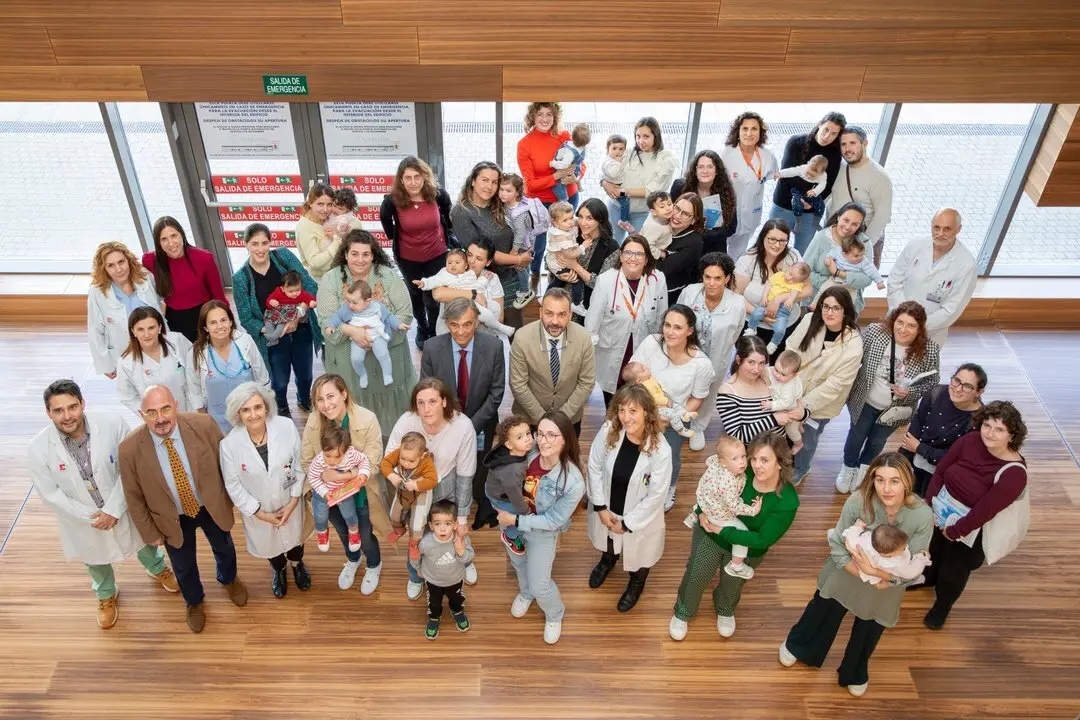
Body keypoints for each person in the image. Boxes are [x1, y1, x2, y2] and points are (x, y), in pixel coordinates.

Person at [28, 380, 178, 629]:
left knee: (140, 539)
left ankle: (158, 567)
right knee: (94, 557)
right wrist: (93, 516)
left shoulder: (110, 423)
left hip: (121, 504)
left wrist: (113, 509)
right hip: (84, 519)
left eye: (73, 407)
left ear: (83, 403)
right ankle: (106, 593)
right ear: (48, 413)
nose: (67, 416)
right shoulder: (38, 448)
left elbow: (131, 466)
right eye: (58, 410)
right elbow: (50, 494)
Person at [780, 453, 931, 697]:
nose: (886, 489)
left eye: (895, 481)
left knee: (869, 629)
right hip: (848, 570)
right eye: (880, 480)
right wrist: (862, 573)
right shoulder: (858, 501)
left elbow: (915, 565)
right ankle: (800, 645)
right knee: (823, 609)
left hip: (886, 584)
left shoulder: (922, 515)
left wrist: (881, 576)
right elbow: (838, 545)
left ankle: (855, 669)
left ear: (907, 481)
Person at [118, 385, 247, 633]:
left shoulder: (204, 425)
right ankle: (194, 600)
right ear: (141, 413)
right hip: (171, 517)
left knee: (224, 546)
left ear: (176, 405)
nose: (161, 419)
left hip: (209, 505)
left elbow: (226, 465)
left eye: (165, 409)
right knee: (183, 563)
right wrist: (149, 533)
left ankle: (229, 579)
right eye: (152, 412)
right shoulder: (129, 449)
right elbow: (133, 497)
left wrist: (232, 500)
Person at [670, 433, 799, 640]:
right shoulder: (736, 469)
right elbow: (707, 488)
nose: (756, 465)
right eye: (754, 458)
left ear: (780, 463)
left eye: (764, 460)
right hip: (711, 535)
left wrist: (724, 531)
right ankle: (683, 611)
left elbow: (762, 540)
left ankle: (725, 609)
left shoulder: (787, 501)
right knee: (696, 574)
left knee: (733, 582)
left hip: (745, 546)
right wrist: (702, 511)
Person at [920, 401, 1028, 630]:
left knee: (953, 570)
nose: (990, 433)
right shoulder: (970, 440)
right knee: (933, 550)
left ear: (1012, 435)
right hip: (941, 510)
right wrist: (929, 505)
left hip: (971, 528)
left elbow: (985, 510)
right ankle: (927, 579)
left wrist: (957, 530)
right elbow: (940, 471)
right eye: (987, 425)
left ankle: (942, 607)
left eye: (999, 429)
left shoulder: (1015, 474)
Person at [494, 411, 585, 645]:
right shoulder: (528, 454)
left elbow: (553, 520)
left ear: (565, 438)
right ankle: (526, 594)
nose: (543, 440)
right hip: (513, 523)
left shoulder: (573, 482)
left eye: (552, 435)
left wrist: (514, 521)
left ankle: (554, 614)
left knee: (540, 583)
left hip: (541, 532)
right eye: (540, 434)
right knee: (518, 563)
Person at [386, 379, 479, 600]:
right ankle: (415, 576)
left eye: (432, 401)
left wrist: (464, 517)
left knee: (453, 528)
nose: (426, 409)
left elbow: (466, 474)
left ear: (444, 402)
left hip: (446, 484)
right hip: (414, 488)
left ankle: (464, 562)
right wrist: (404, 485)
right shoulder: (406, 421)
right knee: (416, 533)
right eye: (420, 403)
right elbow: (390, 456)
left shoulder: (463, 426)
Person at [315, 230, 416, 433]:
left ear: (373, 255)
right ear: (345, 254)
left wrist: (374, 337)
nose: (360, 260)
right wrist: (352, 331)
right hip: (348, 365)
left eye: (366, 254)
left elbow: (404, 314)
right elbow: (326, 321)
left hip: (390, 359)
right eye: (354, 254)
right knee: (354, 429)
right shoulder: (331, 280)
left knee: (394, 429)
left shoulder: (387, 276)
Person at [838, 302, 942, 494]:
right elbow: (854, 358)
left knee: (877, 441)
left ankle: (864, 469)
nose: (903, 329)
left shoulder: (930, 349)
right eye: (900, 322)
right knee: (856, 436)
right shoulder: (875, 333)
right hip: (865, 400)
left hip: (895, 410)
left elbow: (932, 381)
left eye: (911, 325)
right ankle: (848, 467)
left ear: (920, 329)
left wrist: (911, 393)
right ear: (893, 320)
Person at [300, 374, 391, 595]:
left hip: (360, 492)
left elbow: (373, 462)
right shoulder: (314, 421)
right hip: (327, 495)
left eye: (330, 396)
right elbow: (305, 461)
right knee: (342, 530)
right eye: (319, 399)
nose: (326, 404)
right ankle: (353, 558)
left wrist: (342, 476)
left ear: (344, 394)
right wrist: (324, 479)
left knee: (365, 533)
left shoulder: (367, 419)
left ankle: (373, 564)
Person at [586, 383, 673, 612]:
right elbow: (594, 466)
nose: (625, 417)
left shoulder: (660, 450)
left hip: (639, 518)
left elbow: (656, 495)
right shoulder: (609, 430)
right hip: (607, 506)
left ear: (647, 412)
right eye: (621, 410)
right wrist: (601, 507)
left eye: (633, 411)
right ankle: (608, 561)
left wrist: (627, 524)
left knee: (639, 554)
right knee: (607, 541)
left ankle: (636, 583)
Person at [420, 298, 505, 529]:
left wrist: (470, 425)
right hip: (444, 423)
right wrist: (451, 423)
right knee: (449, 464)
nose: (461, 331)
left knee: (479, 465)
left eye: (467, 324)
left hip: (482, 420)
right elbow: (428, 391)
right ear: (447, 323)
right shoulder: (432, 348)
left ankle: (481, 503)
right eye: (455, 325)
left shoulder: (494, 346)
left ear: (476, 322)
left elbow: (497, 392)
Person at [219, 382, 309, 599]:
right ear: (237, 413)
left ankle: (297, 565)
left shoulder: (286, 427)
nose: (253, 415)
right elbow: (233, 485)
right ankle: (279, 570)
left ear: (266, 407)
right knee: (271, 547)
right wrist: (260, 513)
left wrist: (294, 500)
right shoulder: (229, 445)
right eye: (245, 410)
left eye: (257, 407)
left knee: (295, 540)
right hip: (259, 511)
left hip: (291, 501)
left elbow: (299, 465)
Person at [629, 305, 715, 511]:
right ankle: (641, 484)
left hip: (675, 416)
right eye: (667, 325)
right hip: (641, 411)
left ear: (690, 331)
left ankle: (669, 487)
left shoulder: (701, 364)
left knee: (668, 455)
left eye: (677, 327)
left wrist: (673, 418)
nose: (669, 331)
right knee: (639, 452)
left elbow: (697, 399)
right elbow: (632, 378)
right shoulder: (651, 343)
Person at [231, 222, 320, 417]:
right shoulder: (240, 278)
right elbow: (246, 318)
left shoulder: (284, 257)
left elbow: (310, 286)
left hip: (300, 326)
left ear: (271, 242)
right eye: (255, 244)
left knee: (305, 374)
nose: (260, 249)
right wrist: (274, 330)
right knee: (279, 381)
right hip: (271, 335)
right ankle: (281, 408)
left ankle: (304, 399)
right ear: (246, 245)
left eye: (265, 243)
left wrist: (298, 314)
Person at [786, 287, 864, 485]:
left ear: (846, 311)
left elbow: (835, 386)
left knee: (808, 437)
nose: (829, 312)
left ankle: (801, 468)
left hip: (822, 403)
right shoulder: (809, 320)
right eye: (826, 306)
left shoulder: (854, 345)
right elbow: (792, 348)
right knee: (787, 429)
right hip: (793, 389)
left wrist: (803, 405)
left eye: (836, 308)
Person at [379, 156, 454, 349]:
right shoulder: (393, 200)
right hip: (408, 257)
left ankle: (436, 328)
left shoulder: (437, 194)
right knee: (416, 294)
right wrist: (391, 235)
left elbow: (448, 212)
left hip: (436, 253)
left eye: (417, 177)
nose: (413, 182)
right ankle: (422, 326)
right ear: (401, 180)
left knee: (433, 294)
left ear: (424, 177)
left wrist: (450, 234)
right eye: (408, 178)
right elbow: (385, 218)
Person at [586, 235, 668, 406]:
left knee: (639, 400)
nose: (633, 258)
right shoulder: (606, 280)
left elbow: (662, 319)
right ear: (621, 256)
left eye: (639, 254)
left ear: (646, 259)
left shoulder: (657, 280)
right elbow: (592, 321)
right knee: (613, 401)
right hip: (612, 350)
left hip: (642, 351)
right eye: (628, 253)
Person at [677, 252, 747, 448]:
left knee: (707, 395)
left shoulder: (737, 303)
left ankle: (698, 428)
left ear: (727, 278)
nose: (711, 283)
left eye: (717, 278)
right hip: (685, 356)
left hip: (716, 360)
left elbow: (735, 334)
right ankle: (678, 422)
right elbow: (677, 321)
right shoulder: (690, 292)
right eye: (707, 277)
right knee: (681, 390)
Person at [450, 161, 528, 328]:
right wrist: (519, 259)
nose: (489, 186)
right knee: (489, 335)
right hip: (484, 283)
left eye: (494, 182)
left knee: (515, 330)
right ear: (473, 181)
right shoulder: (461, 212)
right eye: (484, 180)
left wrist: (526, 254)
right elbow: (481, 254)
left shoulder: (502, 204)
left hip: (512, 278)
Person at [511, 288, 597, 435]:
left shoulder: (583, 338)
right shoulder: (522, 338)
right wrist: (543, 419)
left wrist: (561, 418)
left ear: (570, 314)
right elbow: (518, 384)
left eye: (562, 314)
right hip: (530, 419)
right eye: (549, 314)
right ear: (540, 313)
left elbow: (587, 382)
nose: (555, 321)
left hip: (570, 419)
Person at [517, 102, 583, 294]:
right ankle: (535, 277)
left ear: (555, 117)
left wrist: (575, 176)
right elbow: (530, 184)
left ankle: (561, 277)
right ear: (532, 117)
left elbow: (581, 163)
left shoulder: (565, 136)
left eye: (549, 115)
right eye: (540, 114)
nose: (545, 119)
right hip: (539, 202)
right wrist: (556, 176)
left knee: (567, 240)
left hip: (567, 198)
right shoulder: (525, 144)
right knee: (538, 245)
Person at [887, 208, 977, 347]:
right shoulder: (915, 245)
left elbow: (952, 309)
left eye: (947, 229)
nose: (940, 234)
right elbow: (894, 281)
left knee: (918, 367)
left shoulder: (966, 264)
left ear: (958, 229)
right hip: (897, 321)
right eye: (936, 228)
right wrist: (903, 319)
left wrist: (917, 325)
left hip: (930, 331)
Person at [899, 363, 987, 496]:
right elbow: (912, 434)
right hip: (915, 465)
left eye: (967, 386)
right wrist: (900, 467)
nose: (958, 388)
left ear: (979, 392)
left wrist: (919, 448)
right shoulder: (935, 393)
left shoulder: (980, 421)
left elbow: (959, 459)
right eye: (956, 380)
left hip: (944, 477)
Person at [684, 434, 761, 580]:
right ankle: (736, 565)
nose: (742, 462)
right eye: (735, 458)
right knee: (742, 532)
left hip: (705, 498)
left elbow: (713, 459)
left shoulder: (716, 463)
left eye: (743, 456)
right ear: (724, 463)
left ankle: (694, 514)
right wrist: (753, 510)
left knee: (706, 499)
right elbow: (734, 506)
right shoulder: (729, 483)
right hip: (719, 514)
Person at [769, 112, 846, 254]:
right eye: (826, 130)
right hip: (784, 205)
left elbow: (828, 185)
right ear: (819, 124)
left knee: (802, 253)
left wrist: (810, 201)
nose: (827, 136)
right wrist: (803, 196)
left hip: (809, 211)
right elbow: (787, 175)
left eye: (834, 134)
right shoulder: (796, 142)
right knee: (772, 250)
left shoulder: (835, 155)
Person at [188, 300, 270, 433]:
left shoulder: (246, 341)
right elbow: (195, 389)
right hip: (217, 421)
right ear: (205, 327)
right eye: (213, 322)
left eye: (223, 320)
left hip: (250, 416)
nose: (220, 326)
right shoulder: (196, 352)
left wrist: (264, 411)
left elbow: (262, 377)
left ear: (231, 322)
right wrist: (203, 421)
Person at [141, 216, 227, 342]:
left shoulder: (204, 258)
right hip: (174, 319)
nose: (171, 243)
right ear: (158, 242)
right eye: (164, 239)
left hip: (204, 315)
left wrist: (226, 322)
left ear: (182, 234)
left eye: (174, 236)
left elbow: (218, 295)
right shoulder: (150, 260)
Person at [601, 117, 680, 244]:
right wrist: (604, 183)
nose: (640, 141)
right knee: (613, 242)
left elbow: (651, 191)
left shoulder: (665, 160)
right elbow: (607, 168)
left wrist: (621, 192)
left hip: (641, 213)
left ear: (656, 136)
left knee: (639, 245)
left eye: (646, 136)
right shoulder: (626, 152)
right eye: (638, 136)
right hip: (616, 207)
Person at [88, 241, 159, 379]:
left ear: (128, 260)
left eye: (121, 262)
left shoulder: (145, 278)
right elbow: (95, 330)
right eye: (111, 265)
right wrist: (105, 365)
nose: (119, 269)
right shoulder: (97, 292)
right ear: (104, 268)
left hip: (156, 346)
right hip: (125, 352)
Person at [734, 221, 808, 350]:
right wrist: (762, 315)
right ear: (763, 237)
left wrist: (778, 299)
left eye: (782, 241)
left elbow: (808, 290)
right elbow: (736, 294)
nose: (777, 245)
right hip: (752, 323)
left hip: (786, 324)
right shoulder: (747, 259)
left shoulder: (793, 257)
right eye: (772, 239)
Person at [826, 126, 894, 266]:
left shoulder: (879, 177)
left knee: (853, 283)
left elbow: (882, 217)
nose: (847, 149)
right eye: (843, 144)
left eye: (853, 143)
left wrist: (862, 246)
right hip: (835, 238)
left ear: (864, 144)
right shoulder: (840, 167)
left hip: (858, 242)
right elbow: (831, 195)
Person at [326, 278, 409, 388]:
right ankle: (362, 374)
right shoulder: (348, 309)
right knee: (356, 358)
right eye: (348, 301)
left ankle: (387, 374)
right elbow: (337, 316)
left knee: (382, 353)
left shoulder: (378, 307)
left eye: (354, 303)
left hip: (377, 335)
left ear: (368, 301)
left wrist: (398, 325)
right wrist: (331, 325)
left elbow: (389, 317)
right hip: (357, 338)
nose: (350, 305)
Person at [117, 307, 198, 416]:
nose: (146, 334)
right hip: (156, 421)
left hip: (189, 411)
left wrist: (197, 407)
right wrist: (150, 415)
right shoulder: (126, 362)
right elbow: (128, 397)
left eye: (151, 328)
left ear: (160, 327)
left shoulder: (177, 341)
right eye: (140, 329)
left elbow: (196, 369)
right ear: (133, 331)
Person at [714, 336, 793, 445]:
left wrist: (802, 413)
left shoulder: (770, 376)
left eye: (761, 363)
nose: (757, 369)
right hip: (754, 456)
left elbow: (795, 399)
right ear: (738, 359)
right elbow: (737, 436)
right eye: (751, 362)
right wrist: (773, 420)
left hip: (781, 450)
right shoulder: (727, 392)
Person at [721, 111, 779, 258]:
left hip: (751, 214)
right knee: (718, 251)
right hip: (726, 214)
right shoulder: (727, 154)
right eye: (745, 129)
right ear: (738, 132)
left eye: (754, 129)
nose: (749, 133)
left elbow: (773, 175)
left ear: (760, 133)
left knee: (738, 253)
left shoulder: (767, 156)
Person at [429, 239, 514, 337]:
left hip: (483, 337)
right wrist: (473, 295)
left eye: (479, 259)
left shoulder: (491, 277)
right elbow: (438, 295)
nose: (471, 261)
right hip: (449, 334)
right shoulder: (449, 271)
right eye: (469, 255)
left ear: (488, 262)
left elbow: (499, 316)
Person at [416, 499, 475, 640]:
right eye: (437, 524)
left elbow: (469, 556)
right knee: (434, 603)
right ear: (431, 525)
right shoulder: (425, 542)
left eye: (447, 524)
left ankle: (457, 611)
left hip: (455, 579)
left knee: (457, 599)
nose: (442, 529)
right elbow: (415, 556)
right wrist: (418, 568)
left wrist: (461, 551)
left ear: (455, 524)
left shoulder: (461, 539)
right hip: (433, 581)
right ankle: (434, 618)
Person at [307, 425, 370, 554]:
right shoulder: (319, 461)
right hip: (323, 492)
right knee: (320, 516)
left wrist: (363, 474)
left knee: (349, 514)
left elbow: (364, 460)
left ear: (346, 451)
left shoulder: (352, 455)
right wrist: (325, 493)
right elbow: (313, 478)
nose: (331, 461)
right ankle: (322, 532)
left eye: (337, 457)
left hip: (344, 491)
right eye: (328, 456)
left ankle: (353, 532)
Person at [550, 198, 620, 313]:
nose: (582, 222)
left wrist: (575, 266)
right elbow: (548, 261)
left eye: (589, 218)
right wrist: (559, 274)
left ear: (600, 219)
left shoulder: (611, 247)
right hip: (561, 300)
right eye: (580, 216)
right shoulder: (570, 233)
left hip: (589, 306)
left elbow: (602, 286)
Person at [804, 202, 875, 315]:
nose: (848, 227)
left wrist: (838, 274)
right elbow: (805, 271)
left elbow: (867, 279)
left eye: (855, 224)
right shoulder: (821, 238)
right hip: (817, 303)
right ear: (838, 217)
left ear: (860, 225)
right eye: (846, 220)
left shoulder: (864, 243)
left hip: (848, 306)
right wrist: (832, 284)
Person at [381, 432, 438, 561]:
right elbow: (385, 463)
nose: (406, 463)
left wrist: (416, 485)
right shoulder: (399, 453)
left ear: (422, 456)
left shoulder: (427, 462)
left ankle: (414, 544)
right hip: (403, 490)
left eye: (411, 460)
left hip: (421, 493)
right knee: (393, 515)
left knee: (417, 524)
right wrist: (391, 475)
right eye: (403, 459)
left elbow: (432, 481)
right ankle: (399, 529)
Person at [671, 149, 738, 256]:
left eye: (710, 167)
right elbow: (670, 215)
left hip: (712, 247)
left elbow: (731, 228)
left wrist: (703, 234)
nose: (705, 171)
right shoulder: (680, 187)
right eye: (701, 167)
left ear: (717, 171)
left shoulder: (726, 193)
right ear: (695, 170)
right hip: (683, 243)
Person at [483, 415, 533, 555]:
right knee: (515, 518)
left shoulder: (515, 452)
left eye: (528, 433)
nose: (527, 438)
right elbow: (515, 496)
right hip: (502, 497)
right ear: (509, 445)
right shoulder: (512, 470)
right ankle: (510, 536)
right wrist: (524, 512)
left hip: (494, 486)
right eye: (520, 437)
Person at [743, 261, 811, 355]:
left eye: (793, 280)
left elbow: (794, 293)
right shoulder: (779, 275)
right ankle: (752, 328)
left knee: (780, 329)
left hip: (783, 310)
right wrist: (764, 297)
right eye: (790, 274)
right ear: (789, 267)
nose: (789, 278)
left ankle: (774, 343)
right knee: (756, 313)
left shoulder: (798, 284)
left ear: (799, 281)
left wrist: (790, 299)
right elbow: (768, 286)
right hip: (767, 303)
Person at [835, 521, 930, 586]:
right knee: (906, 573)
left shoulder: (865, 541)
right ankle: (916, 581)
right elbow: (910, 572)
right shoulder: (895, 563)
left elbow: (851, 540)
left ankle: (832, 533)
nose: (905, 549)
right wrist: (921, 559)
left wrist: (857, 527)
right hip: (879, 571)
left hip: (866, 566)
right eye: (902, 549)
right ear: (886, 555)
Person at [499, 172, 543, 308]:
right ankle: (527, 275)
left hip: (524, 243)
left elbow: (520, 234)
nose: (503, 194)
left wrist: (514, 251)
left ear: (517, 193)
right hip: (528, 240)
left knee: (519, 267)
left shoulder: (518, 213)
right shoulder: (509, 204)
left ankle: (525, 291)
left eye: (508, 191)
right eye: (501, 189)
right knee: (525, 265)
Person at [621, 361, 696, 439]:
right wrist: (666, 401)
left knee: (676, 405)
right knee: (672, 414)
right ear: (639, 381)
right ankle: (680, 429)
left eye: (644, 366)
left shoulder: (649, 379)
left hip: (664, 402)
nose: (646, 368)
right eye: (643, 370)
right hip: (657, 409)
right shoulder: (643, 388)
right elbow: (655, 398)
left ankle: (684, 414)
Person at [296, 183, 355, 281]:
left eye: (329, 204)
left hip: (340, 274)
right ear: (310, 203)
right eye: (320, 204)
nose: (325, 210)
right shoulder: (304, 227)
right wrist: (338, 240)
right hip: (323, 279)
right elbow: (314, 263)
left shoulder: (328, 217)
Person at [656, 193, 706, 308]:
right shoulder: (661, 223)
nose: (677, 215)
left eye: (685, 214)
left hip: (667, 294)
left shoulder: (694, 243)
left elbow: (663, 269)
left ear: (694, 220)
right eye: (677, 208)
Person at [812, 234, 885, 307]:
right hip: (834, 280)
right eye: (856, 256)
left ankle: (848, 312)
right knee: (823, 289)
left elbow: (872, 270)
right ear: (844, 254)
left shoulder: (863, 261)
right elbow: (830, 254)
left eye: (862, 254)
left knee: (851, 299)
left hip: (850, 286)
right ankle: (815, 305)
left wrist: (879, 282)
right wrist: (827, 259)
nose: (860, 258)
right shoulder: (838, 252)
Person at [261, 271, 317, 347]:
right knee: (268, 322)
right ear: (283, 289)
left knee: (281, 325)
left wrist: (311, 302)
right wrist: (271, 301)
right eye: (290, 291)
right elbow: (269, 298)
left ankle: (274, 337)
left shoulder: (301, 294)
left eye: (297, 290)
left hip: (289, 314)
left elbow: (308, 297)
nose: (295, 293)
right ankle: (273, 340)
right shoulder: (278, 292)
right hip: (277, 312)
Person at [764, 349, 806, 451]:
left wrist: (771, 405)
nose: (777, 375)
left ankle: (798, 444)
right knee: (798, 425)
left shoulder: (789, 386)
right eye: (777, 370)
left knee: (791, 430)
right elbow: (768, 370)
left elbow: (785, 403)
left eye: (783, 374)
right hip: (790, 404)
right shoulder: (776, 372)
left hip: (791, 409)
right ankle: (800, 426)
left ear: (794, 375)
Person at [549, 123, 591, 202]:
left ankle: (564, 199)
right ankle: (579, 184)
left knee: (559, 186)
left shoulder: (570, 152)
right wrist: (577, 178)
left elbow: (564, 165)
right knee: (577, 171)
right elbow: (581, 163)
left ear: (571, 136)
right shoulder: (582, 147)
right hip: (577, 167)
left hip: (569, 170)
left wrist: (553, 163)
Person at [601, 134, 632, 231]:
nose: (617, 152)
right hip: (615, 190)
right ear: (608, 149)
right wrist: (618, 162)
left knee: (626, 199)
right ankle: (623, 221)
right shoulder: (609, 162)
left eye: (621, 149)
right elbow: (613, 174)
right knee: (625, 202)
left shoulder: (618, 157)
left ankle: (624, 220)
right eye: (614, 148)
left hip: (619, 187)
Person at [639, 190, 674, 259]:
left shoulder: (664, 217)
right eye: (662, 207)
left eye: (669, 204)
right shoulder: (653, 227)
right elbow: (647, 245)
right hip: (650, 256)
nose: (668, 208)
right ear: (653, 212)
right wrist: (661, 254)